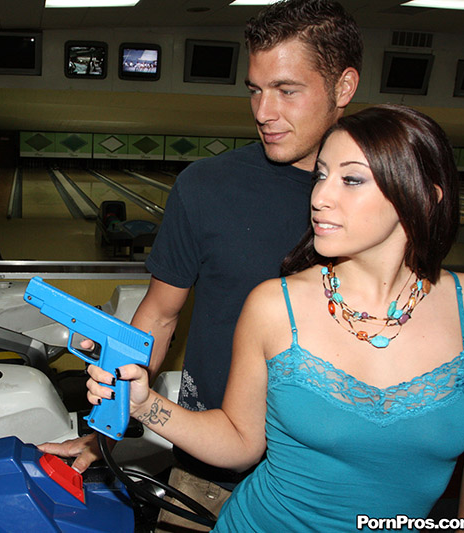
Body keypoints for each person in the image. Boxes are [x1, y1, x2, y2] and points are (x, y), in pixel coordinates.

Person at [39, 0, 362, 523]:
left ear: (343, 87)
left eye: (286, 90)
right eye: (255, 90)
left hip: (331, 483)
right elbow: (160, 315)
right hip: (207, 471)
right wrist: (105, 434)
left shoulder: (382, 203)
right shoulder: (206, 187)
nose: (263, 112)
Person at [86, 104, 464, 532]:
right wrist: (144, 404)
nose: (320, 198)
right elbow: (240, 444)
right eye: (321, 176)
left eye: (351, 179)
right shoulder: (274, 305)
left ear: (424, 196)